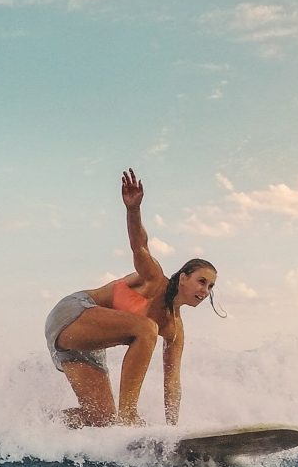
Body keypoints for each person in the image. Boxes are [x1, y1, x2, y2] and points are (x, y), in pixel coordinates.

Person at [44, 168, 221, 427]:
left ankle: (34, 425)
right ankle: (129, 417)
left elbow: (172, 383)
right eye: (201, 281)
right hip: (73, 313)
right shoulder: (153, 277)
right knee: (147, 328)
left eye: (211, 286)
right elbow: (139, 245)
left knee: (100, 419)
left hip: (87, 345)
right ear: (183, 277)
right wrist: (133, 210)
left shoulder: (174, 330)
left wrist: (173, 432)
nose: (205, 291)